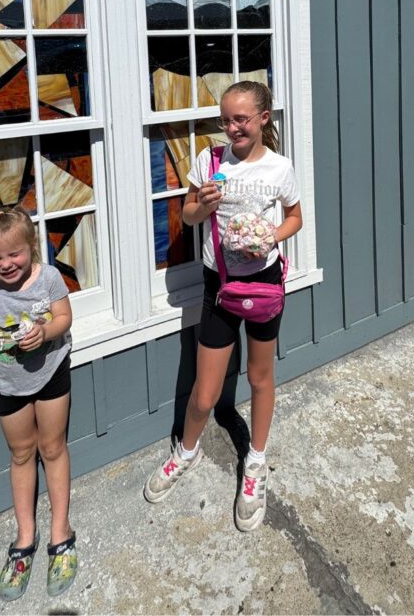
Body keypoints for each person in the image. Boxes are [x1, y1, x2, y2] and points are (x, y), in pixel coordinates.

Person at [143, 80, 303, 531]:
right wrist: (202, 205)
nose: (232, 128)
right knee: (206, 391)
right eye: (226, 119)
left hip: (265, 282)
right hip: (219, 285)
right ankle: (186, 452)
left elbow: (295, 217)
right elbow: (189, 215)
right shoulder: (209, 161)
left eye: (241, 120)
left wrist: (269, 237)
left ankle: (255, 463)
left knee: (259, 376)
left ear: (263, 119)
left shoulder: (279, 168)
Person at [0, 206, 77, 601]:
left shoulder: (48, 278)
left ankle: (60, 531)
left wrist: (46, 331)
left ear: (31, 247)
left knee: (53, 447)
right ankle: (25, 537)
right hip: (8, 383)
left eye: (14, 254)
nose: (6, 264)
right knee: (21, 453)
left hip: (51, 374)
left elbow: (65, 316)